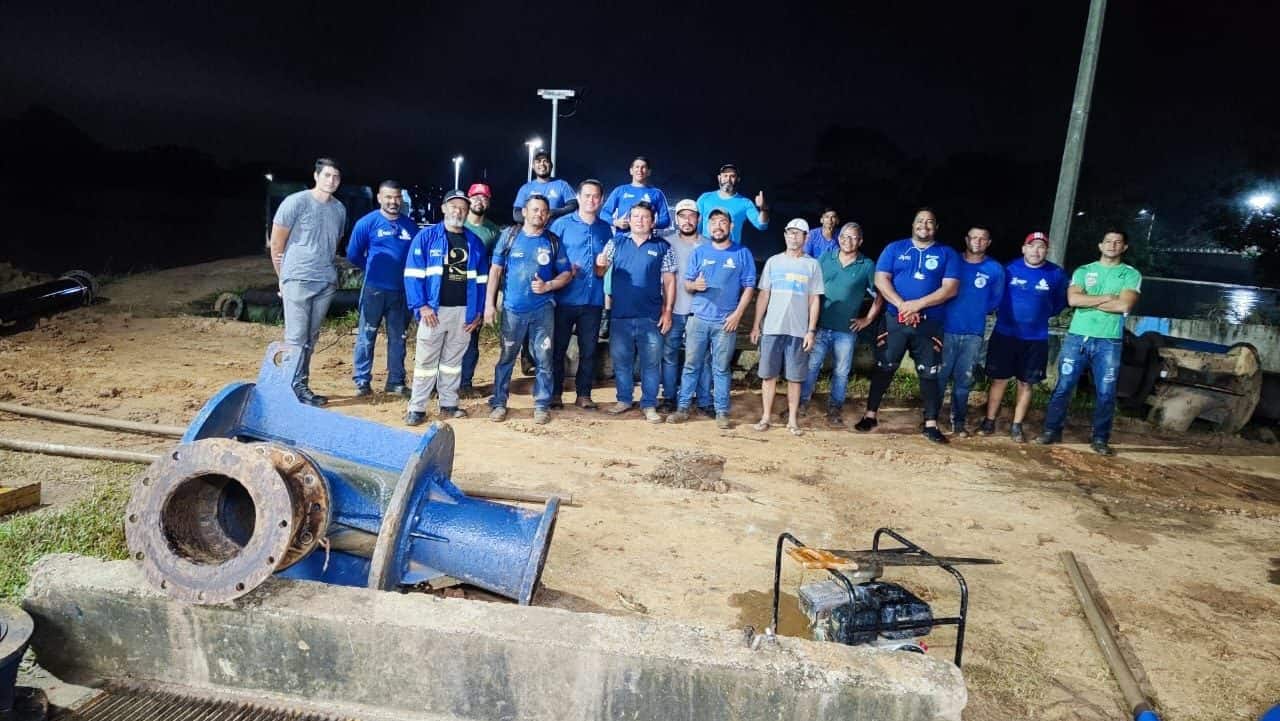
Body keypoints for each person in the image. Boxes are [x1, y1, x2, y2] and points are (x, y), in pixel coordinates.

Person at [853, 208, 959, 443]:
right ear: (913, 225)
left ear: (936, 227)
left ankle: (930, 423)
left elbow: (950, 288)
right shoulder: (895, 248)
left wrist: (917, 305)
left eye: (930, 222)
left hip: (929, 323)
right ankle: (870, 415)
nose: (925, 225)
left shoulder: (947, 253)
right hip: (895, 320)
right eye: (920, 221)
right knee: (884, 366)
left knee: (929, 373)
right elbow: (881, 280)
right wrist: (903, 306)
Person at [1037, 229, 1142, 455]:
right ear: (1100, 245)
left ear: (1124, 248)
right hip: (1077, 337)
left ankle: (1100, 438)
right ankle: (1051, 430)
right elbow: (1073, 299)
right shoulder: (1084, 271)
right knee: (1063, 386)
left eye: (1117, 242)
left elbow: (1124, 306)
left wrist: (1089, 301)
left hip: (1109, 341)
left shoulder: (1130, 274)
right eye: (1108, 241)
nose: (1112, 245)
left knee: (1106, 391)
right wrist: (1106, 298)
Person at [402, 190, 489, 424]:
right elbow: (413, 274)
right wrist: (421, 306)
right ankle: (417, 408)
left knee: (453, 362)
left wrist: (478, 312)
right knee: (425, 362)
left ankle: (449, 404)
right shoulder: (426, 237)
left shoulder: (475, 243)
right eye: (453, 206)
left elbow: (481, 282)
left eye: (462, 207)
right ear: (443, 208)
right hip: (433, 311)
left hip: (463, 313)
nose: (458, 211)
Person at [485, 194, 572, 424]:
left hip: (543, 311)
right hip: (513, 311)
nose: (539, 214)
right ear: (524, 212)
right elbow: (495, 271)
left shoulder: (552, 241)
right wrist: (489, 305)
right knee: (506, 357)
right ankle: (499, 402)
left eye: (543, 211)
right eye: (534, 210)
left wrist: (549, 286)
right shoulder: (509, 236)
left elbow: (566, 273)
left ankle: (542, 404)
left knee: (544, 358)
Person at [666, 208, 756, 428]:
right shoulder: (701, 251)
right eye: (714, 222)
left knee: (721, 368)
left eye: (723, 222)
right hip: (698, 319)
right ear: (709, 227)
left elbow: (749, 287)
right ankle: (683, 408)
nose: (718, 226)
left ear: (730, 226)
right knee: (691, 365)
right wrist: (693, 285)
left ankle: (722, 412)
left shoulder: (742, 253)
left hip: (726, 321)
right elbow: (687, 282)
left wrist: (737, 315)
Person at [269, 157, 347, 406]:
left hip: (325, 280)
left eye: (336, 177)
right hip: (298, 278)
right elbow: (277, 244)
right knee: (295, 338)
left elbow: (334, 243)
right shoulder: (296, 203)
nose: (331, 181)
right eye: (327, 175)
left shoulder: (339, 209)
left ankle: (300, 385)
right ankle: (287, 388)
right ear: (316, 176)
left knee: (310, 339)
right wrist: (283, 279)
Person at [977, 231, 1067, 442]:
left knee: (1026, 383)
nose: (1036, 250)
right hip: (1005, 334)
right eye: (1032, 246)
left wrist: (1040, 313)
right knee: (998, 380)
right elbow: (995, 296)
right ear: (1023, 248)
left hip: (1035, 339)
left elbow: (1060, 302)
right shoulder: (1008, 269)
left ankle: (1016, 425)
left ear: (1047, 250)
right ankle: (989, 420)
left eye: (1041, 247)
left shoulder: (1056, 274)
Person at [594, 201, 676, 423]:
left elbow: (669, 281)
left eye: (645, 217)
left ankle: (649, 404)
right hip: (620, 315)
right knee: (622, 362)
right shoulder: (615, 243)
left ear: (652, 221)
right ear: (629, 220)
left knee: (651, 363)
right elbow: (600, 272)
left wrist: (667, 311)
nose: (640, 220)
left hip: (651, 316)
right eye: (636, 216)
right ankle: (624, 399)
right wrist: (599, 264)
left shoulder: (663, 247)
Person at [800, 222, 882, 426]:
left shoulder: (867, 265)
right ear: (839, 238)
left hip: (846, 330)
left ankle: (835, 409)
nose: (848, 241)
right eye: (844, 236)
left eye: (854, 237)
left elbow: (880, 294)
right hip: (819, 326)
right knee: (811, 367)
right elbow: (811, 287)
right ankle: (801, 404)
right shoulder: (825, 258)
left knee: (841, 372)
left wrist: (868, 319)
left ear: (860, 241)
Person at [750, 219, 824, 436]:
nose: (794, 237)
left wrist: (811, 330)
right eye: (790, 233)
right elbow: (763, 294)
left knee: (795, 377)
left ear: (806, 237)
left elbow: (814, 300)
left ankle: (792, 420)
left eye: (798, 233)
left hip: (798, 331)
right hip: (772, 328)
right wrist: (756, 324)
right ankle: (765, 417)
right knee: (768, 375)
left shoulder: (812, 265)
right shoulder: (773, 262)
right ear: (785, 235)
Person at [345, 180, 418, 398]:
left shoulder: (410, 226)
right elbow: (353, 254)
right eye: (388, 197)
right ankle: (362, 381)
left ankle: (395, 382)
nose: (393, 201)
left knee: (398, 337)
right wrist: (372, 269)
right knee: (367, 335)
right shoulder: (367, 223)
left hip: (401, 293)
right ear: (379, 198)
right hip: (374, 290)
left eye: (397, 197)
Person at [548, 179, 612, 410]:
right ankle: (555, 394)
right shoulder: (561, 225)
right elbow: (549, 257)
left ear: (601, 200)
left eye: (596, 196)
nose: (591, 200)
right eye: (586, 195)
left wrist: (602, 268)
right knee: (558, 350)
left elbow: (605, 266)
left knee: (589, 350)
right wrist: (564, 270)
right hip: (564, 299)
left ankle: (583, 394)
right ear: (578, 197)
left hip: (592, 301)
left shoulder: (605, 229)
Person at [935, 226, 1004, 436]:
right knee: (939, 377)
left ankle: (959, 422)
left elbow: (995, 301)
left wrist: (975, 310)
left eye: (983, 238)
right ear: (966, 239)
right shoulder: (952, 260)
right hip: (946, 329)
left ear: (989, 242)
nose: (978, 241)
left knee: (964, 380)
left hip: (974, 333)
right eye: (974, 237)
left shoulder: (995, 269)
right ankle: (931, 419)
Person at [658, 199, 711, 414]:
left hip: (700, 312)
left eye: (691, 216)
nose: (687, 221)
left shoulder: (710, 245)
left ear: (698, 219)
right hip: (674, 309)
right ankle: (670, 397)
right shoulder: (666, 242)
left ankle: (704, 400)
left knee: (702, 358)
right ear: (676, 219)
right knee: (669, 355)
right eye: (682, 216)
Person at [459, 182, 502, 398]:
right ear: (468, 199)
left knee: (471, 340)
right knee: (444, 340)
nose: (479, 201)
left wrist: (491, 299)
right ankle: (440, 384)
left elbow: (496, 267)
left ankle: (465, 384)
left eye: (484, 198)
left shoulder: (493, 231)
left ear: (488, 202)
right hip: (451, 290)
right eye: (475, 197)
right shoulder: (457, 223)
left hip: (475, 292)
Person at [695, 164, 769, 243]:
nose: (728, 179)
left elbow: (761, 225)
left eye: (732, 176)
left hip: (731, 252)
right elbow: (696, 224)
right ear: (719, 178)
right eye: (725, 176)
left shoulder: (745, 203)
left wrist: (763, 209)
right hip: (706, 250)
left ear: (738, 179)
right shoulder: (705, 198)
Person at [602, 156, 672, 231]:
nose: (640, 170)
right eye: (637, 167)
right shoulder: (620, 190)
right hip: (623, 238)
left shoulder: (656, 193)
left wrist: (651, 224)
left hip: (646, 239)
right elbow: (604, 213)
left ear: (649, 172)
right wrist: (616, 222)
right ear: (631, 171)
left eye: (643, 167)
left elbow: (666, 220)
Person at [512, 150, 577, 223]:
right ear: (533, 166)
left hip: (557, 232)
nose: (542, 164)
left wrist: (552, 213)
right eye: (538, 161)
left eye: (545, 161)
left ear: (551, 165)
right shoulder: (525, 188)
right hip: (534, 233)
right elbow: (516, 214)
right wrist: (535, 220)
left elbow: (573, 206)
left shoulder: (562, 184)